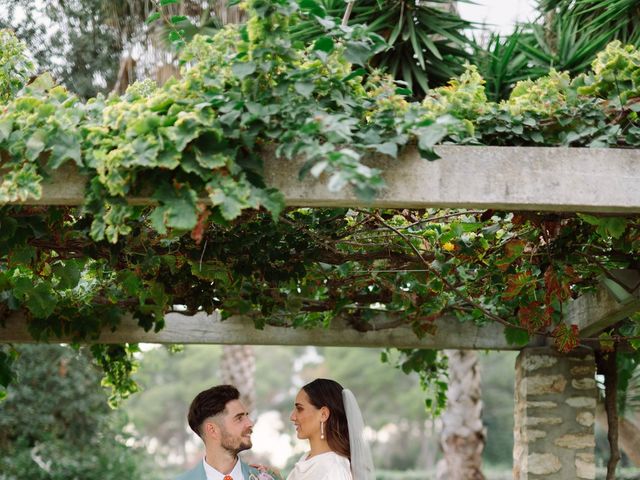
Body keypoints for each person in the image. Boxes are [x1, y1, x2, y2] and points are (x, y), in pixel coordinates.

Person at [177, 384, 282, 480]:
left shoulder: (269, 478)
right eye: (239, 418)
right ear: (212, 430)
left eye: (247, 416)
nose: (250, 423)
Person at [287, 378, 375, 480]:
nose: (292, 417)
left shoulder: (335, 470)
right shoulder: (306, 459)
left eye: (299, 409)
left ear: (323, 414)